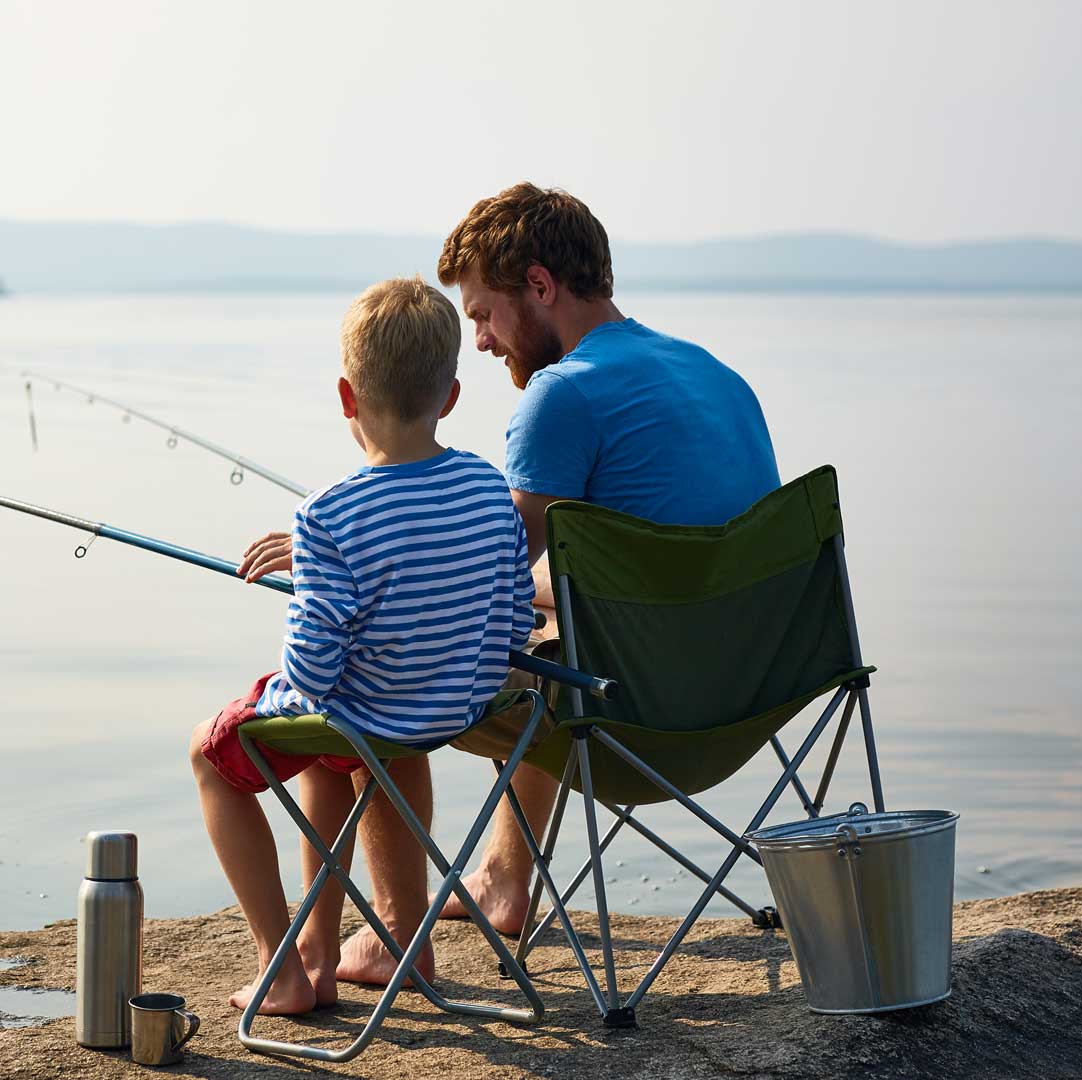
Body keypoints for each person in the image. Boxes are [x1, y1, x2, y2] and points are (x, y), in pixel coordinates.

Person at [239, 182, 780, 983]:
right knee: (540, 638)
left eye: (485, 313)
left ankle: (395, 930)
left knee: (390, 664)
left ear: (539, 285)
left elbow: (465, 581)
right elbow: (591, 574)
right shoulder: (713, 371)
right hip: (752, 688)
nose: (484, 342)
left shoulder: (564, 396)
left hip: (639, 714)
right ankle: (502, 877)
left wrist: (340, 552)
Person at [189, 276, 537, 1016]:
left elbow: (313, 674)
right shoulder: (487, 488)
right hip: (461, 709)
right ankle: (334, 953)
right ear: (449, 396)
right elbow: (513, 625)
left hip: (370, 719)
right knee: (335, 754)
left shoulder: (326, 516)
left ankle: (276, 963)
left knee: (211, 753)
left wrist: (310, 602)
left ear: (347, 397)